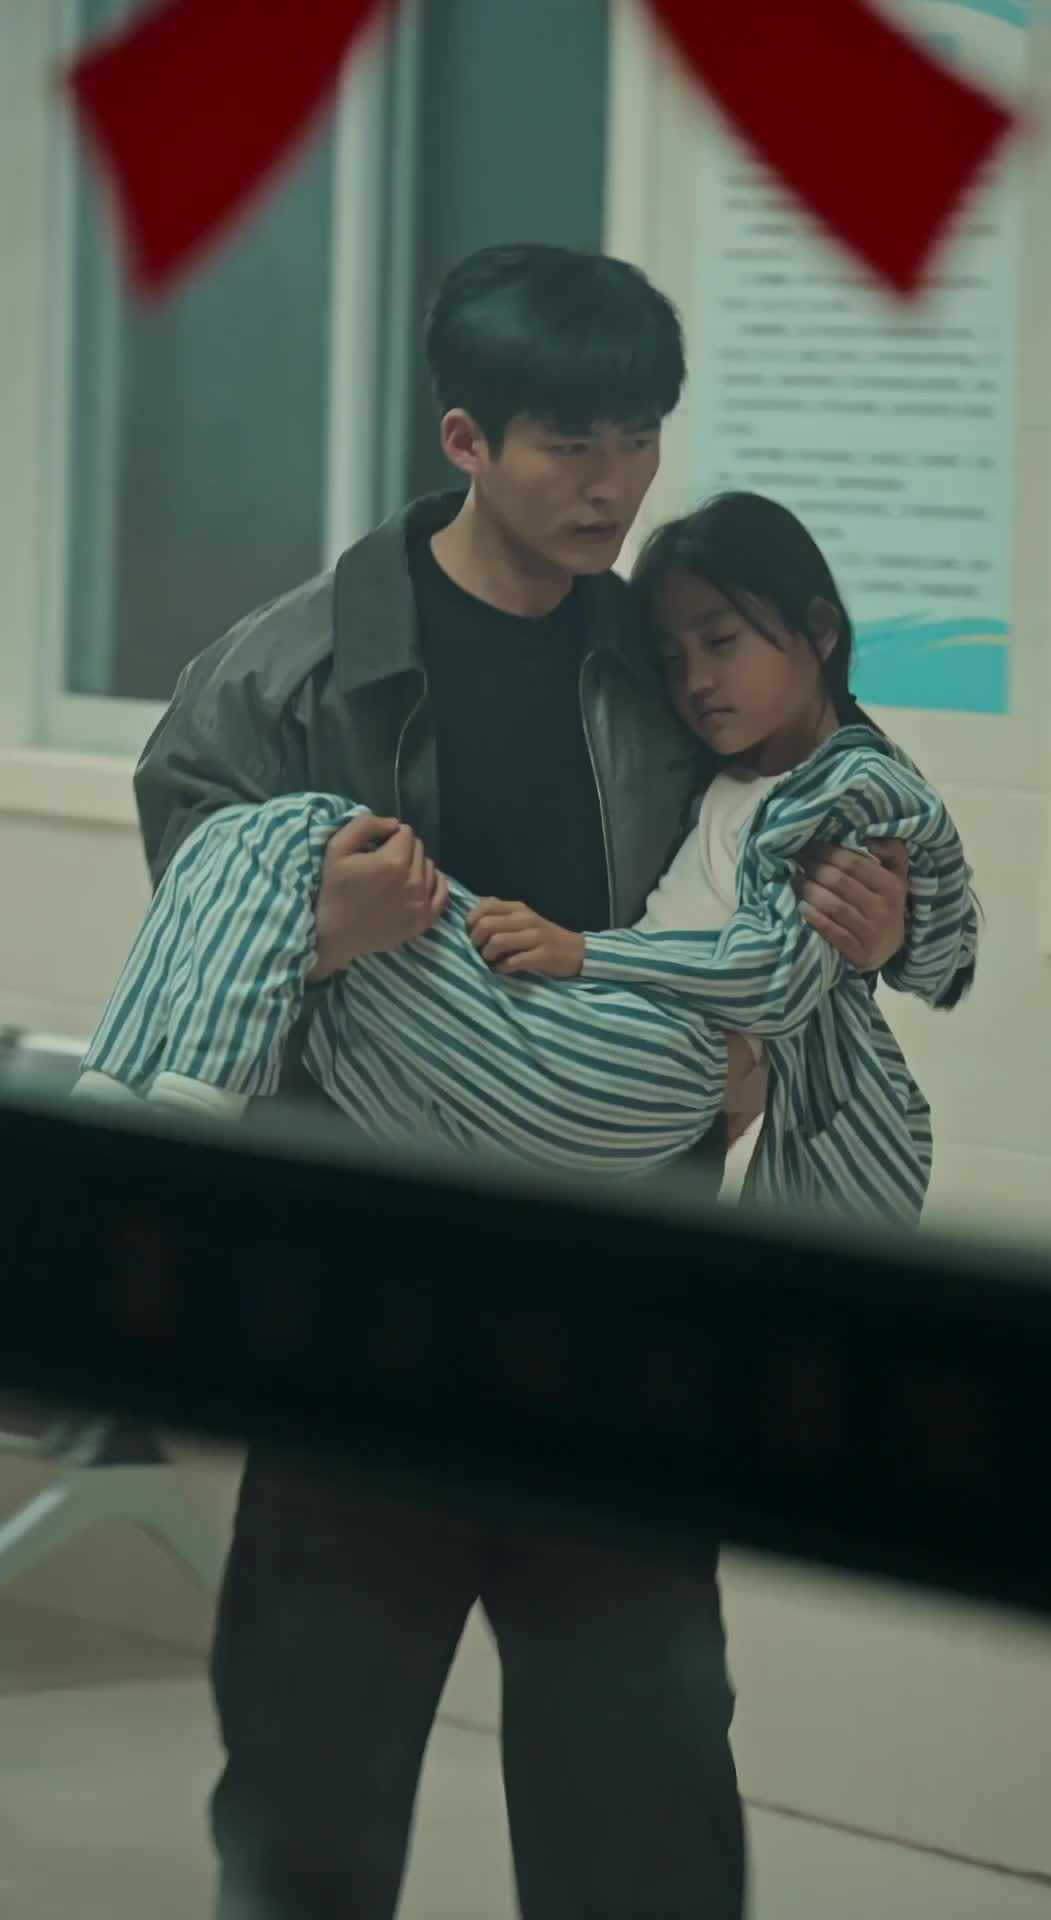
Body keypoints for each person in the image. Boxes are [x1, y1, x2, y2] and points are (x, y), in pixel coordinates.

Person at [126, 246, 914, 1920]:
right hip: (353, 1319)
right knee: (308, 1811)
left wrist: (870, 927)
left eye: (640, 439)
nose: (615, 484)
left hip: (621, 1321)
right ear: (467, 440)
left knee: (645, 1814)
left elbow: (820, 812)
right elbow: (195, 948)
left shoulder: (676, 659)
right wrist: (322, 933)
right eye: (572, 444)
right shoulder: (283, 674)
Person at [77, 495, 976, 1218]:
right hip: (591, 1051)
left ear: (820, 634)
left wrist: (583, 952)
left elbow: (780, 976)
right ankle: (132, 1104)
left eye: (722, 642)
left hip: (648, 1057)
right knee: (270, 878)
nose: (696, 680)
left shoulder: (848, 785)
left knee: (299, 833)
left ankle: (148, 1116)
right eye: (673, 656)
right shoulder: (732, 760)